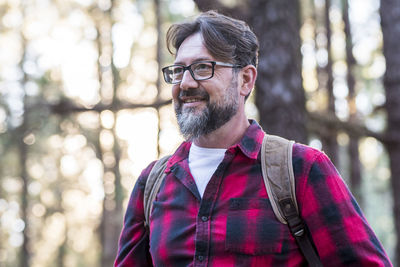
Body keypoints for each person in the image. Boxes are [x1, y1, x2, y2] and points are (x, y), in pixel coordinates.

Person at [114, 10, 392, 267]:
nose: (185, 83)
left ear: (245, 80)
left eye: (201, 68)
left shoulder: (302, 169)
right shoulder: (152, 183)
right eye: (178, 71)